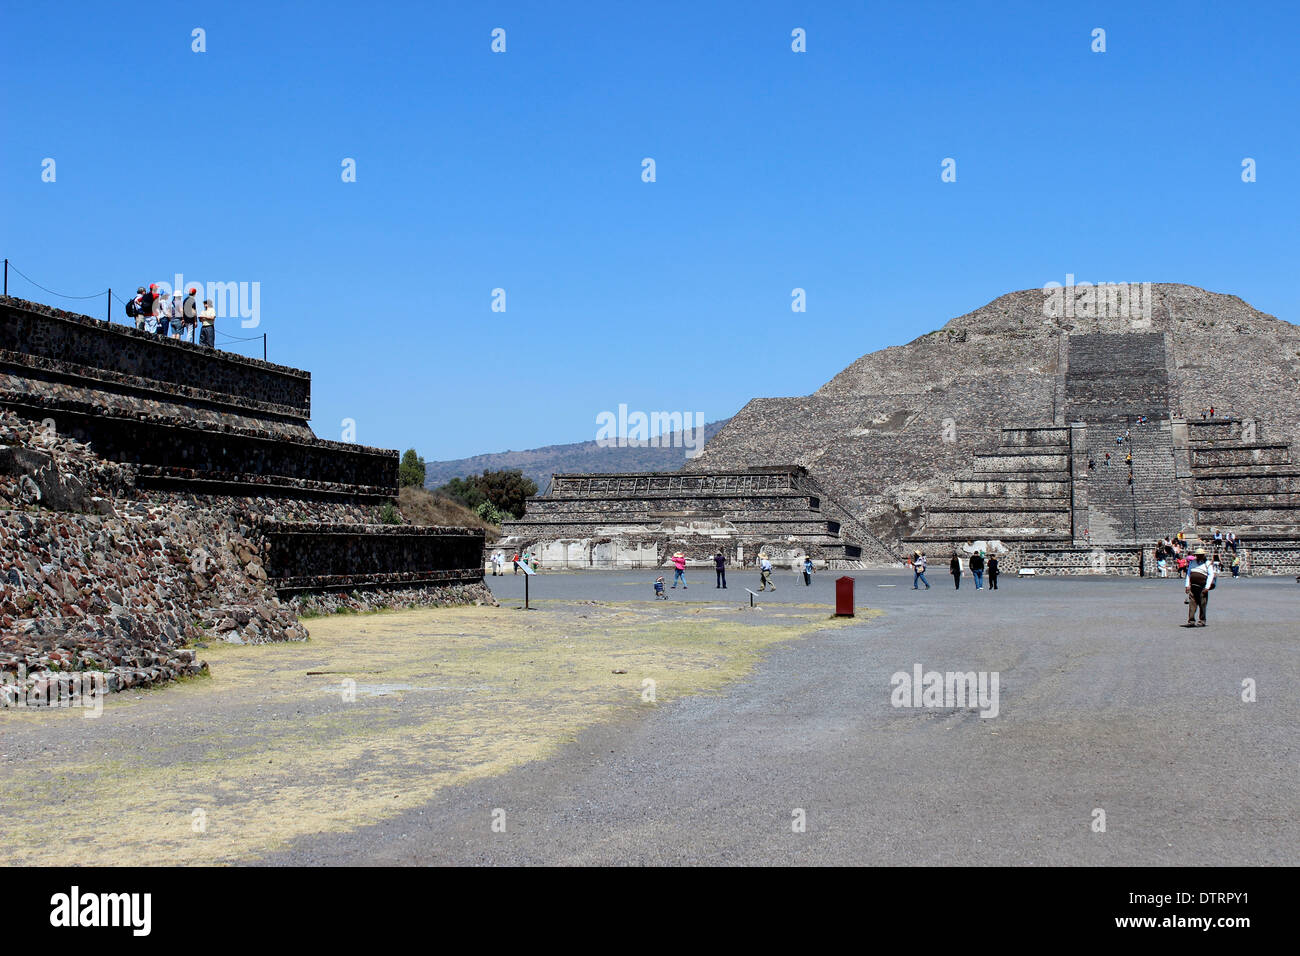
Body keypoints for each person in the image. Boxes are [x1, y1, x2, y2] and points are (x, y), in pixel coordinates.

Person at [1184, 547, 1215, 626]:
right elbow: (1188, 574)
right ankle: (1191, 621)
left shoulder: (1207, 563)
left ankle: (1202, 620)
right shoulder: (1192, 562)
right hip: (1193, 586)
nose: (1199, 556)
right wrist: (1187, 585)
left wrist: (1207, 587)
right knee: (1192, 604)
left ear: (1203, 555)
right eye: (1198, 555)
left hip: (1202, 587)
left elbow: (1211, 575)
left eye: (1201, 555)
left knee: (1202, 604)